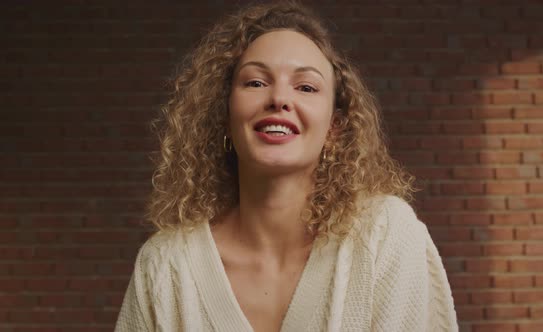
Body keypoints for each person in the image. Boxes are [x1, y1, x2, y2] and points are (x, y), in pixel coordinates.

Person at [114, 1, 458, 331]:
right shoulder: (164, 265)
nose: (279, 98)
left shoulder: (384, 235)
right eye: (256, 82)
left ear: (334, 128)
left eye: (306, 87)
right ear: (224, 117)